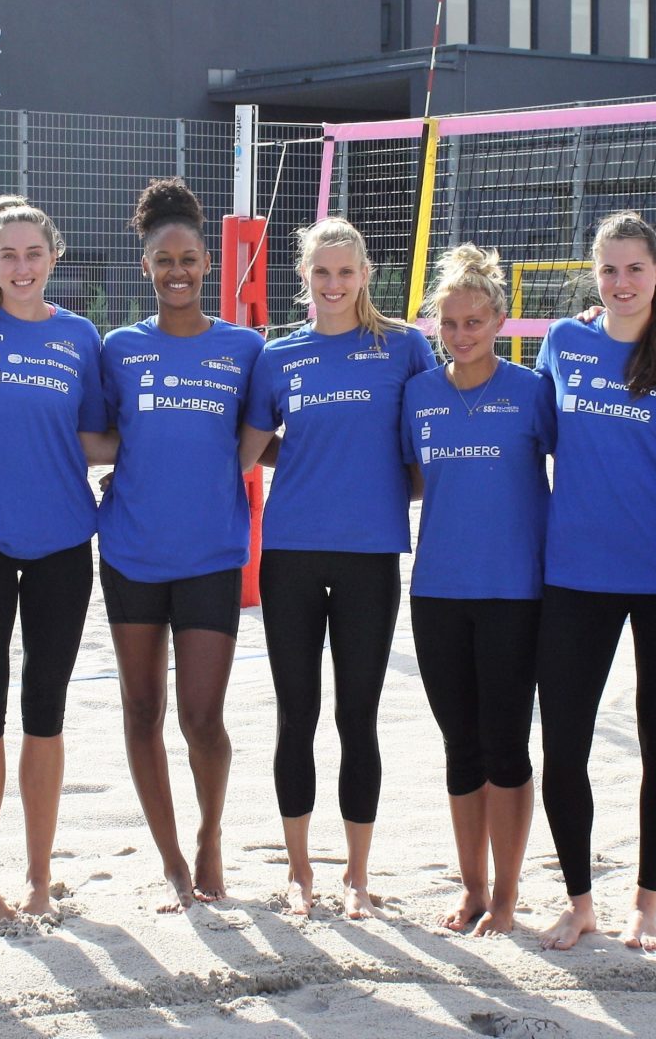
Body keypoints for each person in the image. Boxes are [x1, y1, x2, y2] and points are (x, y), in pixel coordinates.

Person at [533, 211, 656, 953]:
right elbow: (541, 440)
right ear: (594, 275)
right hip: (578, 574)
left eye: (634, 269)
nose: (621, 283)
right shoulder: (565, 342)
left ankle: (647, 905)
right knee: (564, 745)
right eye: (608, 270)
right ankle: (580, 901)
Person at [239, 217, 437, 918]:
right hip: (291, 553)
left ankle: (355, 873)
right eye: (320, 273)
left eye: (345, 272)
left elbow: (432, 440)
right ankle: (299, 872)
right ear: (304, 277)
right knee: (298, 715)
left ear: (364, 275)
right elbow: (247, 448)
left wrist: (383, 484)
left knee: (359, 715)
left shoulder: (403, 348)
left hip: (370, 554)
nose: (332, 285)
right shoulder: (278, 356)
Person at [0, 195, 114, 920]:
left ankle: (38, 876)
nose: (21, 265)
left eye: (33, 253)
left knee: (45, 710)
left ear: (53, 257)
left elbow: (98, 437)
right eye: (7, 253)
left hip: (64, 540)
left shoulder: (78, 337)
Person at [96, 178, 265, 910]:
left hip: (211, 554)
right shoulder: (118, 350)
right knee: (142, 711)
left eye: (189, 258)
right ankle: (170, 861)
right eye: (163, 259)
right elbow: (99, 437)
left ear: (208, 264)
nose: (177, 270)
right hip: (130, 549)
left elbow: (263, 437)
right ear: (146, 267)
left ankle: (208, 838)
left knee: (203, 718)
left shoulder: (245, 349)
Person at [402, 244, 554, 936]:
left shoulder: (531, 392)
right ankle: (472, 889)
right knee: (459, 747)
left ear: (500, 319)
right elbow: (403, 479)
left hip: (514, 592)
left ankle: (509, 893)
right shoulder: (420, 394)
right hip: (436, 592)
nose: (461, 335)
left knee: (506, 748)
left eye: (474, 322)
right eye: (449, 324)